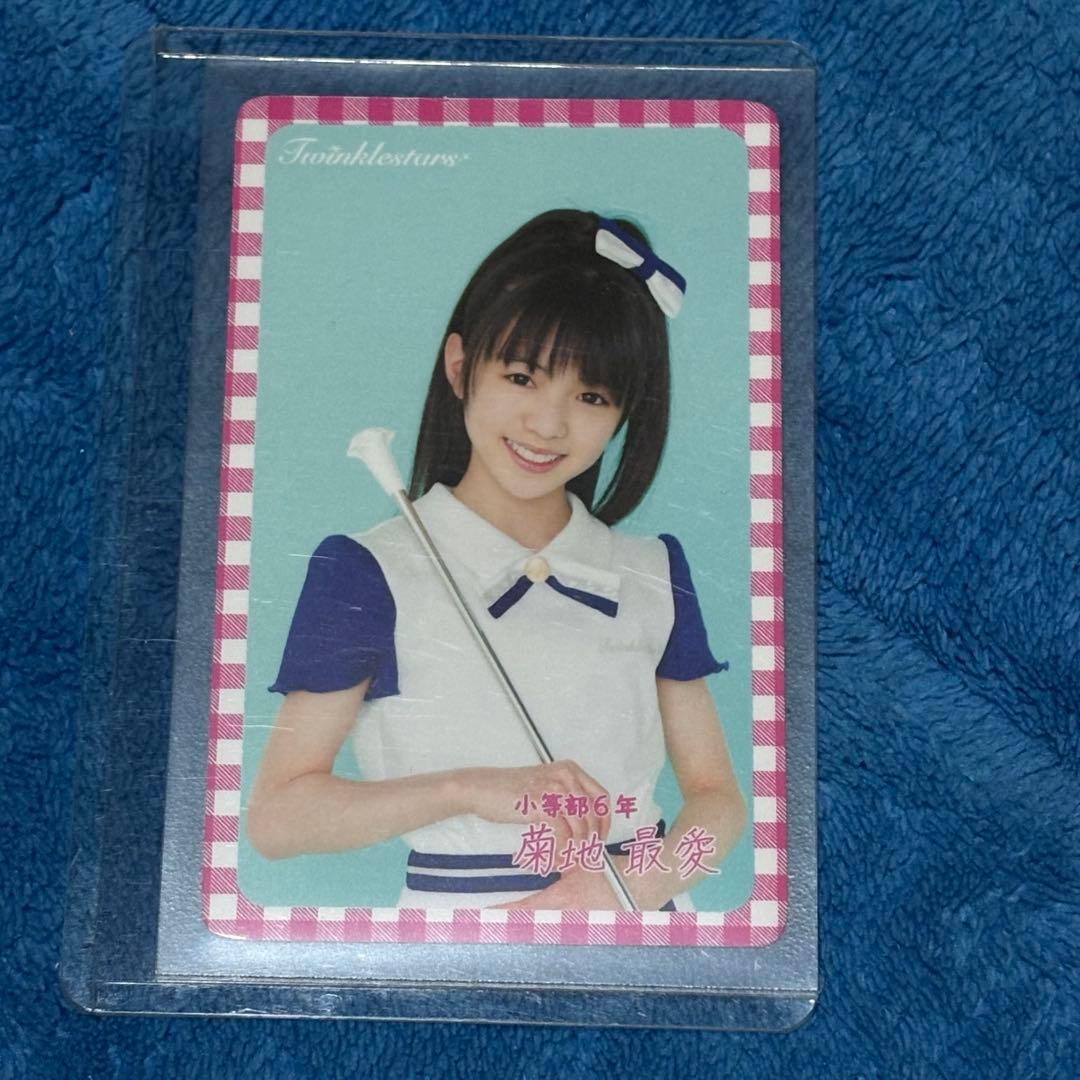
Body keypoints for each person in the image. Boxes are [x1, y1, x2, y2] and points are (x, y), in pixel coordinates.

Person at [247, 209, 748, 911]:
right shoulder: (371, 569)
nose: (548, 424)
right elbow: (277, 819)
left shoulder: (651, 571)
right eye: (522, 377)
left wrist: (624, 891)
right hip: (462, 931)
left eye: (591, 396)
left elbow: (718, 797)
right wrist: (469, 788)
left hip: (637, 919)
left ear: (624, 413)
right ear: (461, 367)